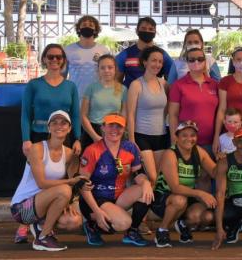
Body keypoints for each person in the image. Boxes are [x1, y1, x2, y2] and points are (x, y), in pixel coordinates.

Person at [17, 43, 83, 244]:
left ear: (63, 61)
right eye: (51, 57)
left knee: (58, 178)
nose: (55, 60)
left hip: (64, 138)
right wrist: (26, 139)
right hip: (38, 136)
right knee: (35, 181)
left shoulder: (70, 86)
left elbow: (76, 115)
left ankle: (45, 224)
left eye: (59, 57)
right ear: (44, 59)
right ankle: (24, 223)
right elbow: (25, 114)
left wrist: (78, 138)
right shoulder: (34, 84)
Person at [10, 110, 85, 251]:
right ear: (48, 128)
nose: (59, 126)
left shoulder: (69, 154)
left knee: (73, 221)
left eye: (64, 123)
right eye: (54, 123)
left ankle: (39, 224)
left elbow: (71, 182)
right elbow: (42, 183)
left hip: (45, 204)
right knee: (64, 190)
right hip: (21, 208)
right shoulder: (36, 149)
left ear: (69, 129)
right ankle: (43, 238)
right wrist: (69, 185)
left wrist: (66, 201)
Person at [79, 113, 154, 247]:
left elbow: (138, 173)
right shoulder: (92, 150)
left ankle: (132, 232)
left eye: (119, 126)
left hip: (118, 197)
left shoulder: (130, 148)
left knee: (146, 190)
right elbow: (82, 185)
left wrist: (146, 183)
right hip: (95, 199)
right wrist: (97, 211)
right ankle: (92, 225)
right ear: (103, 128)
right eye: (111, 126)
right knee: (123, 223)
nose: (115, 130)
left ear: (124, 129)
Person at [151, 121, 218, 248]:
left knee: (198, 216)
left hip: (186, 196)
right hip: (163, 197)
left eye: (192, 135)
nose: (189, 138)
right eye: (184, 135)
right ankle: (162, 230)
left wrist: (225, 161)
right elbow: (175, 187)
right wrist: (201, 193)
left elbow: (215, 173)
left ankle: (182, 224)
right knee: (179, 200)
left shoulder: (199, 151)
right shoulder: (170, 154)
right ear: (176, 137)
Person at [126, 46, 169, 184]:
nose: (157, 64)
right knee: (152, 176)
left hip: (161, 136)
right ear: (145, 62)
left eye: (160, 62)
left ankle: (152, 204)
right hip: (142, 136)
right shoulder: (136, 85)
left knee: (158, 177)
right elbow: (130, 114)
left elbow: (167, 110)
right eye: (153, 60)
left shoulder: (164, 84)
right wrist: (132, 141)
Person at [168, 46, 219, 156]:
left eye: (200, 59)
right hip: (186, 143)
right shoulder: (178, 85)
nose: (196, 62)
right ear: (187, 62)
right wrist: (174, 138)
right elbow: (173, 114)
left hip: (211, 143)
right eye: (192, 60)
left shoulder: (215, 85)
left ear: (205, 61)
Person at [80, 54, 127, 147]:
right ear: (98, 70)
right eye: (102, 68)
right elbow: (83, 115)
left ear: (115, 69)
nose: (106, 71)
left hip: (114, 131)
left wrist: (117, 133)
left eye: (110, 67)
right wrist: (95, 137)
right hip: (93, 131)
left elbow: (124, 115)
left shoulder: (123, 89)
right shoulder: (91, 88)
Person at [116, 16, 174, 87]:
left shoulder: (163, 55)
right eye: (143, 28)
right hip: (129, 96)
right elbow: (117, 81)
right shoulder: (125, 54)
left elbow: (171, 78)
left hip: (154, 96)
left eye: (151, 29)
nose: (147, 31)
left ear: (155, 32)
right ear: (137, 31)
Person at [64, 15, 110, 99]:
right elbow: (62, 76)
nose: (87, 27)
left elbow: (109, 76)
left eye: (91, 25)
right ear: (78, 29)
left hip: (98, 97)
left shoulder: (104, 50)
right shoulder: (68, 50)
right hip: (75, 97)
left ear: (95, 30)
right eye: (84, 25)